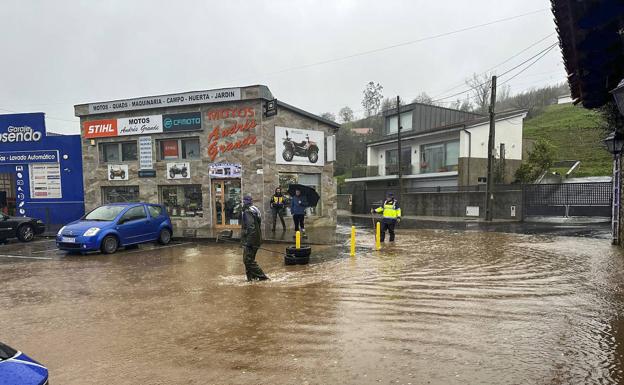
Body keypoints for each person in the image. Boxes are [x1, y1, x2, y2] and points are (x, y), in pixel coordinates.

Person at [240, 195, 269, 281]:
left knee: (247, 260)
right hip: (256, 239)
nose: (243, 203)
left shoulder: (248, 211)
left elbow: (251, 227)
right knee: (249, 260)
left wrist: (249, 242)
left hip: (252, 240)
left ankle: (263, 278)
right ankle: (251, 279)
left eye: (244, 201)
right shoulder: (254, 209)